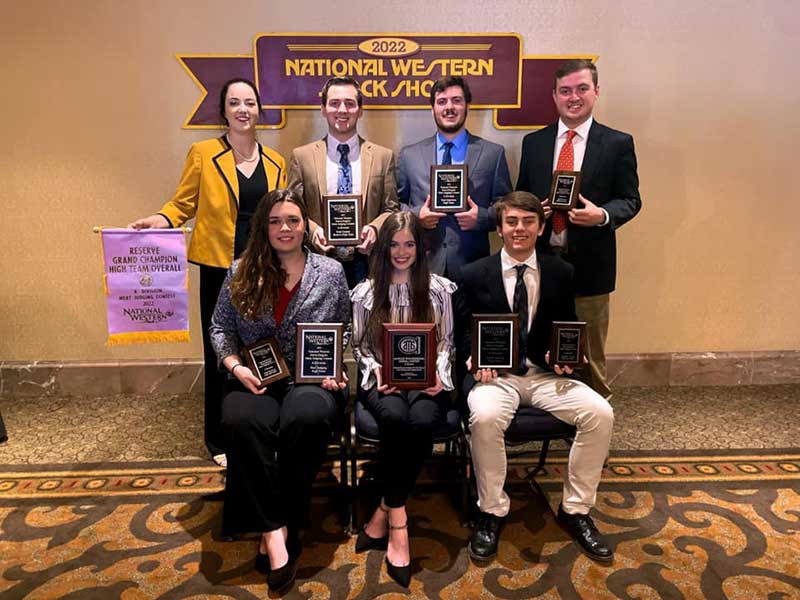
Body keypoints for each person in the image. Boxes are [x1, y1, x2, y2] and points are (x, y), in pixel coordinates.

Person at [129, 78, 287, 465]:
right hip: (219, 267)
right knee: (221, 351)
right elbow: (183, 203)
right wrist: (160, 219)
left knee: (268, 348)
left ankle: (264, 428)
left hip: (264, 269)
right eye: (235, 103)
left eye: (250, 102)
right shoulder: (203, 153)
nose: (243, 109)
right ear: (224, 111)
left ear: (259, 111)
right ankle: (219, 440)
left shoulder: (276, 162)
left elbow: (284, 216)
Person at [454, 191, 615, 564]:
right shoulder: (474, 273)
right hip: (498, 378)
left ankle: (575, 509)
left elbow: (566, 327)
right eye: (511, 222)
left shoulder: (561, 271)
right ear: (499, 228)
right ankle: (492, 511)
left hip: (545, 376)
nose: (519, 229)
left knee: (599, 413)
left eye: (528, 222)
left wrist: (563, 357)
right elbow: (462, 333)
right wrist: (474, 358)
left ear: (541, 228)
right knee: (486, 416)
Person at [209, 188, 350, 593]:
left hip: (311, 381)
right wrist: (234, 367)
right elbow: (220, 328)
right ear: (263, 228)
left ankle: (274, 520)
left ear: (306, 226)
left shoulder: (331, 272)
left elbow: (346, 329)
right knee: (239, 421)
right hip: (255, 379)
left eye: (292, 220)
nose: (284, 228)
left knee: (306, 417)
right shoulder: (241, 271)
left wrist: (336, 368)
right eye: (275, 221)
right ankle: (276, 531)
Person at [516, 59, 641, 398]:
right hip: (541, 262)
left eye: (582, 89)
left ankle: (596, 424)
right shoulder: (534, 143)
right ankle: (553, 413)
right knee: (540, 343)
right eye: (565, 91)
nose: (574, 97)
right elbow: (521, 195)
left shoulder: (617, 143)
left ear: (596, 92)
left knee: (589, 353)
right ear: (555, 96)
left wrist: (600, 214)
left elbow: (631, 200)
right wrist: (533, 212)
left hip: (592, 265)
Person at [350, 211, 456, 588]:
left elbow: (446, 343)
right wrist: (377, 371)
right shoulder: (366, 294)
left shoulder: (439, 290)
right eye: (393, 244)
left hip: (426, 383)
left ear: (420, 248)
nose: (401, 251)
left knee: (425, 422)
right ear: (382, 248)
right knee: (395, 420)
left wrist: (437, 378)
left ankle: (384, 509)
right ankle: (400, 522)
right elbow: (360, 347)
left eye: (409, 244)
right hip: (383, 380)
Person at [397, 76, 512, 280]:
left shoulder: (492, 153)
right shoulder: (409, 155)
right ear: (432, 109)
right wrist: (416, 215)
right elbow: (395, 204)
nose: (449, 107)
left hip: (473, 267)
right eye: (442, 102)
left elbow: (506, 204)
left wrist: (482, 218)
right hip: (423, 265)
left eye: (456, 100)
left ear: (467, 105)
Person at [288, 77, 399, 288]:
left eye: (350, 103)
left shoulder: (383, 156)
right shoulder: (301, 157)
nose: (342, 110)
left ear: (360, 110)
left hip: (367, 262)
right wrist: (313, 231)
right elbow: (293, 209)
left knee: (365, 320)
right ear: (323, 108)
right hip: (318, 261)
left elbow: (391, 208)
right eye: (334, 103)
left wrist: (375, 229)